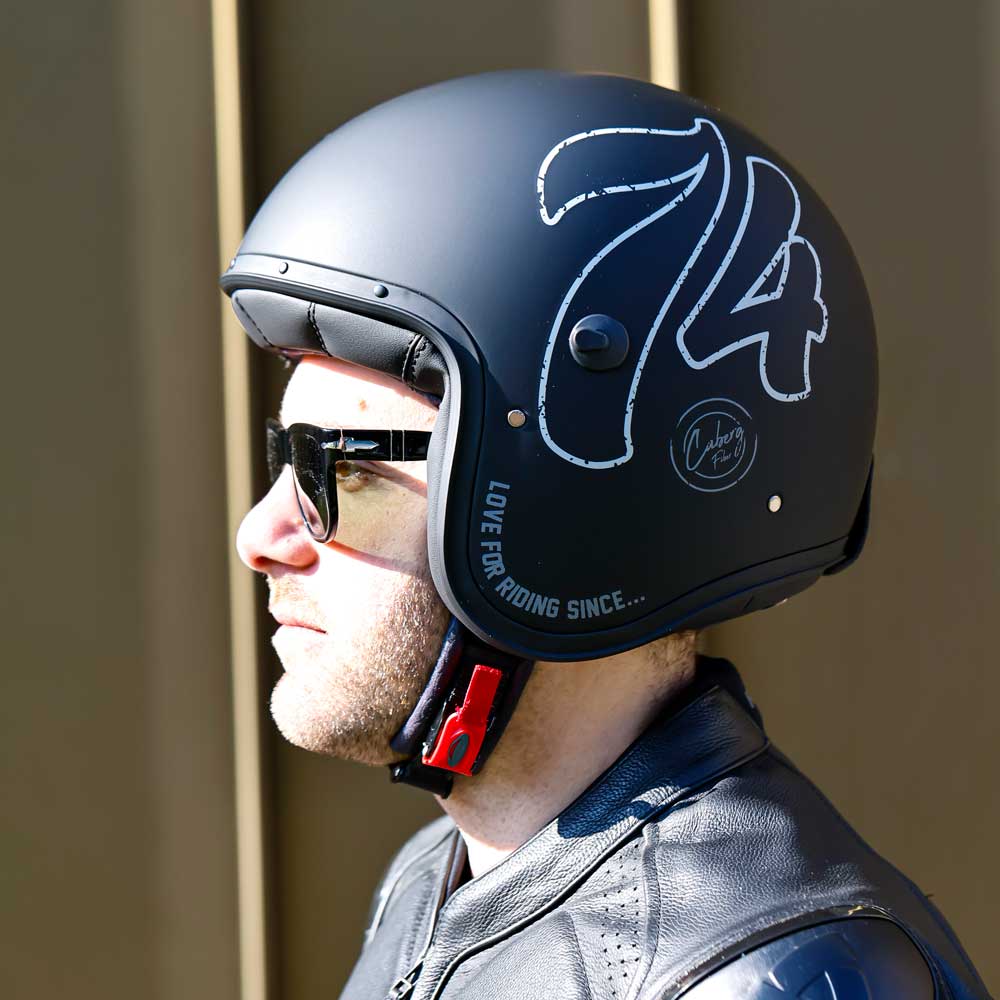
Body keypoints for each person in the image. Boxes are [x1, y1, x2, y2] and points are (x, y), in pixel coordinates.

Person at [226, 70, 989, 999]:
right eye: (282, 457)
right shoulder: (439, 881)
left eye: (337, 469)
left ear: (574, 512)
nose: (260, 534)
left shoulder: (769, 979)